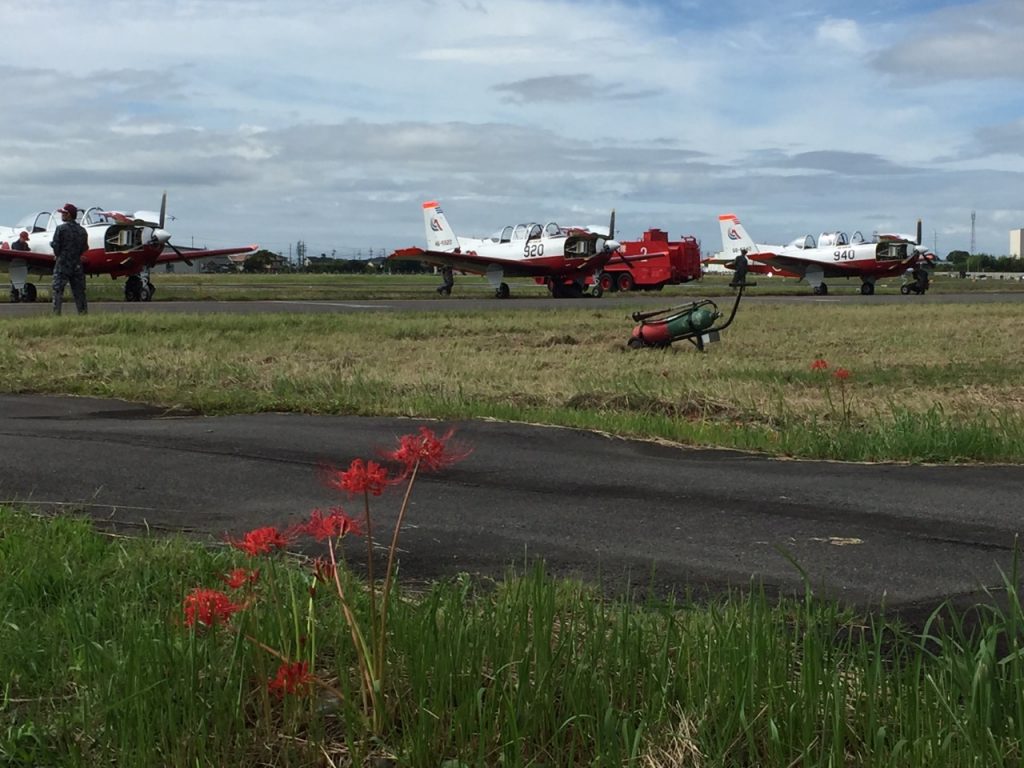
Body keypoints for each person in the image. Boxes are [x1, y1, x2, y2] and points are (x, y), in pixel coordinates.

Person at [50, 203, 89, 315]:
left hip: (62, 263)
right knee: (79, 292)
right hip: (77, 264)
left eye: (63, 213)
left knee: (58, 290)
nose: (62, 215)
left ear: (68, 215)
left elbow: (56, 246)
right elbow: (85, 247)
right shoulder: (82, 231)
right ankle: (83, 314)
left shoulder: (60, 229)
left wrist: (57, 251)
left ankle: (56, 314)